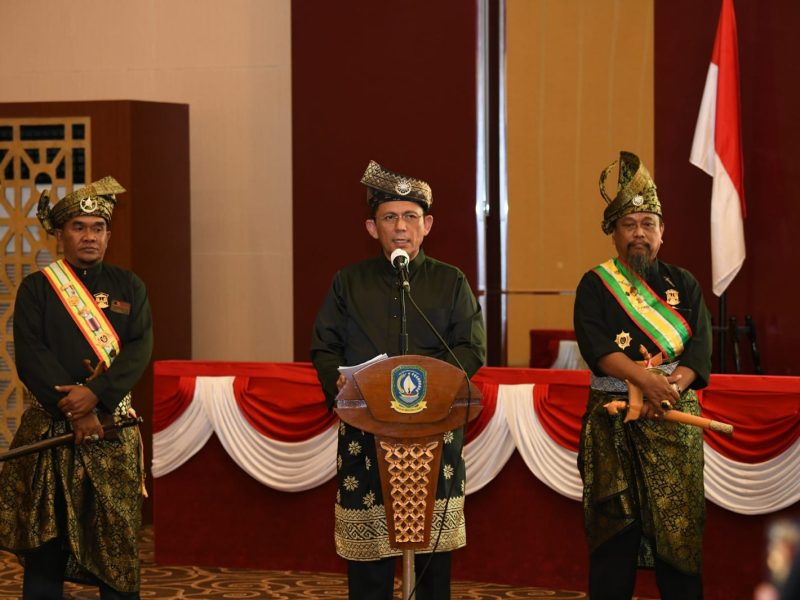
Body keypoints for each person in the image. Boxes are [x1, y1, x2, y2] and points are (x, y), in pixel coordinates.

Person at [311, 160, 486, 600]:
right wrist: (339, 382)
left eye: (410, 217)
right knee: (368, 561)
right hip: (365, 432)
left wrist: (434, 387)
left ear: (427, 225)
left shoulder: (451, 281)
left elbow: (472, 348)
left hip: (434, 432)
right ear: (372, 228)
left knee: (431, 562)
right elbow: (324, 348)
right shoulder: (348, 282)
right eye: (390, 217)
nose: (401, 227)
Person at [0, 177, 153, 599]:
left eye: (98, 227)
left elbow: (139, 350)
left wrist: (97, 396)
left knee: (116, 546)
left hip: (112, 432)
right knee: (46, 548)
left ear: (108, 233)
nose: (89, 236)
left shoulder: (129, 286)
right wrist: (76, 408)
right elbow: (30, 355)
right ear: (61, 233)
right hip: (52, 432)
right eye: (79, 227)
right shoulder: (37, 289)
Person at [574, 151, 712, 600]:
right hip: (611, 419)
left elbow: (700, 350)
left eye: (648, 223)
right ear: (614, 234)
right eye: (629, 224)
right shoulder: (595, 284)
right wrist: (644, 380)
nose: (639, 233)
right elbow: (595, 346)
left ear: (662, 233)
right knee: (614, 534)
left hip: (674, 416)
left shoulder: (685, 284)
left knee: (679, 531)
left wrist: (667, 387)